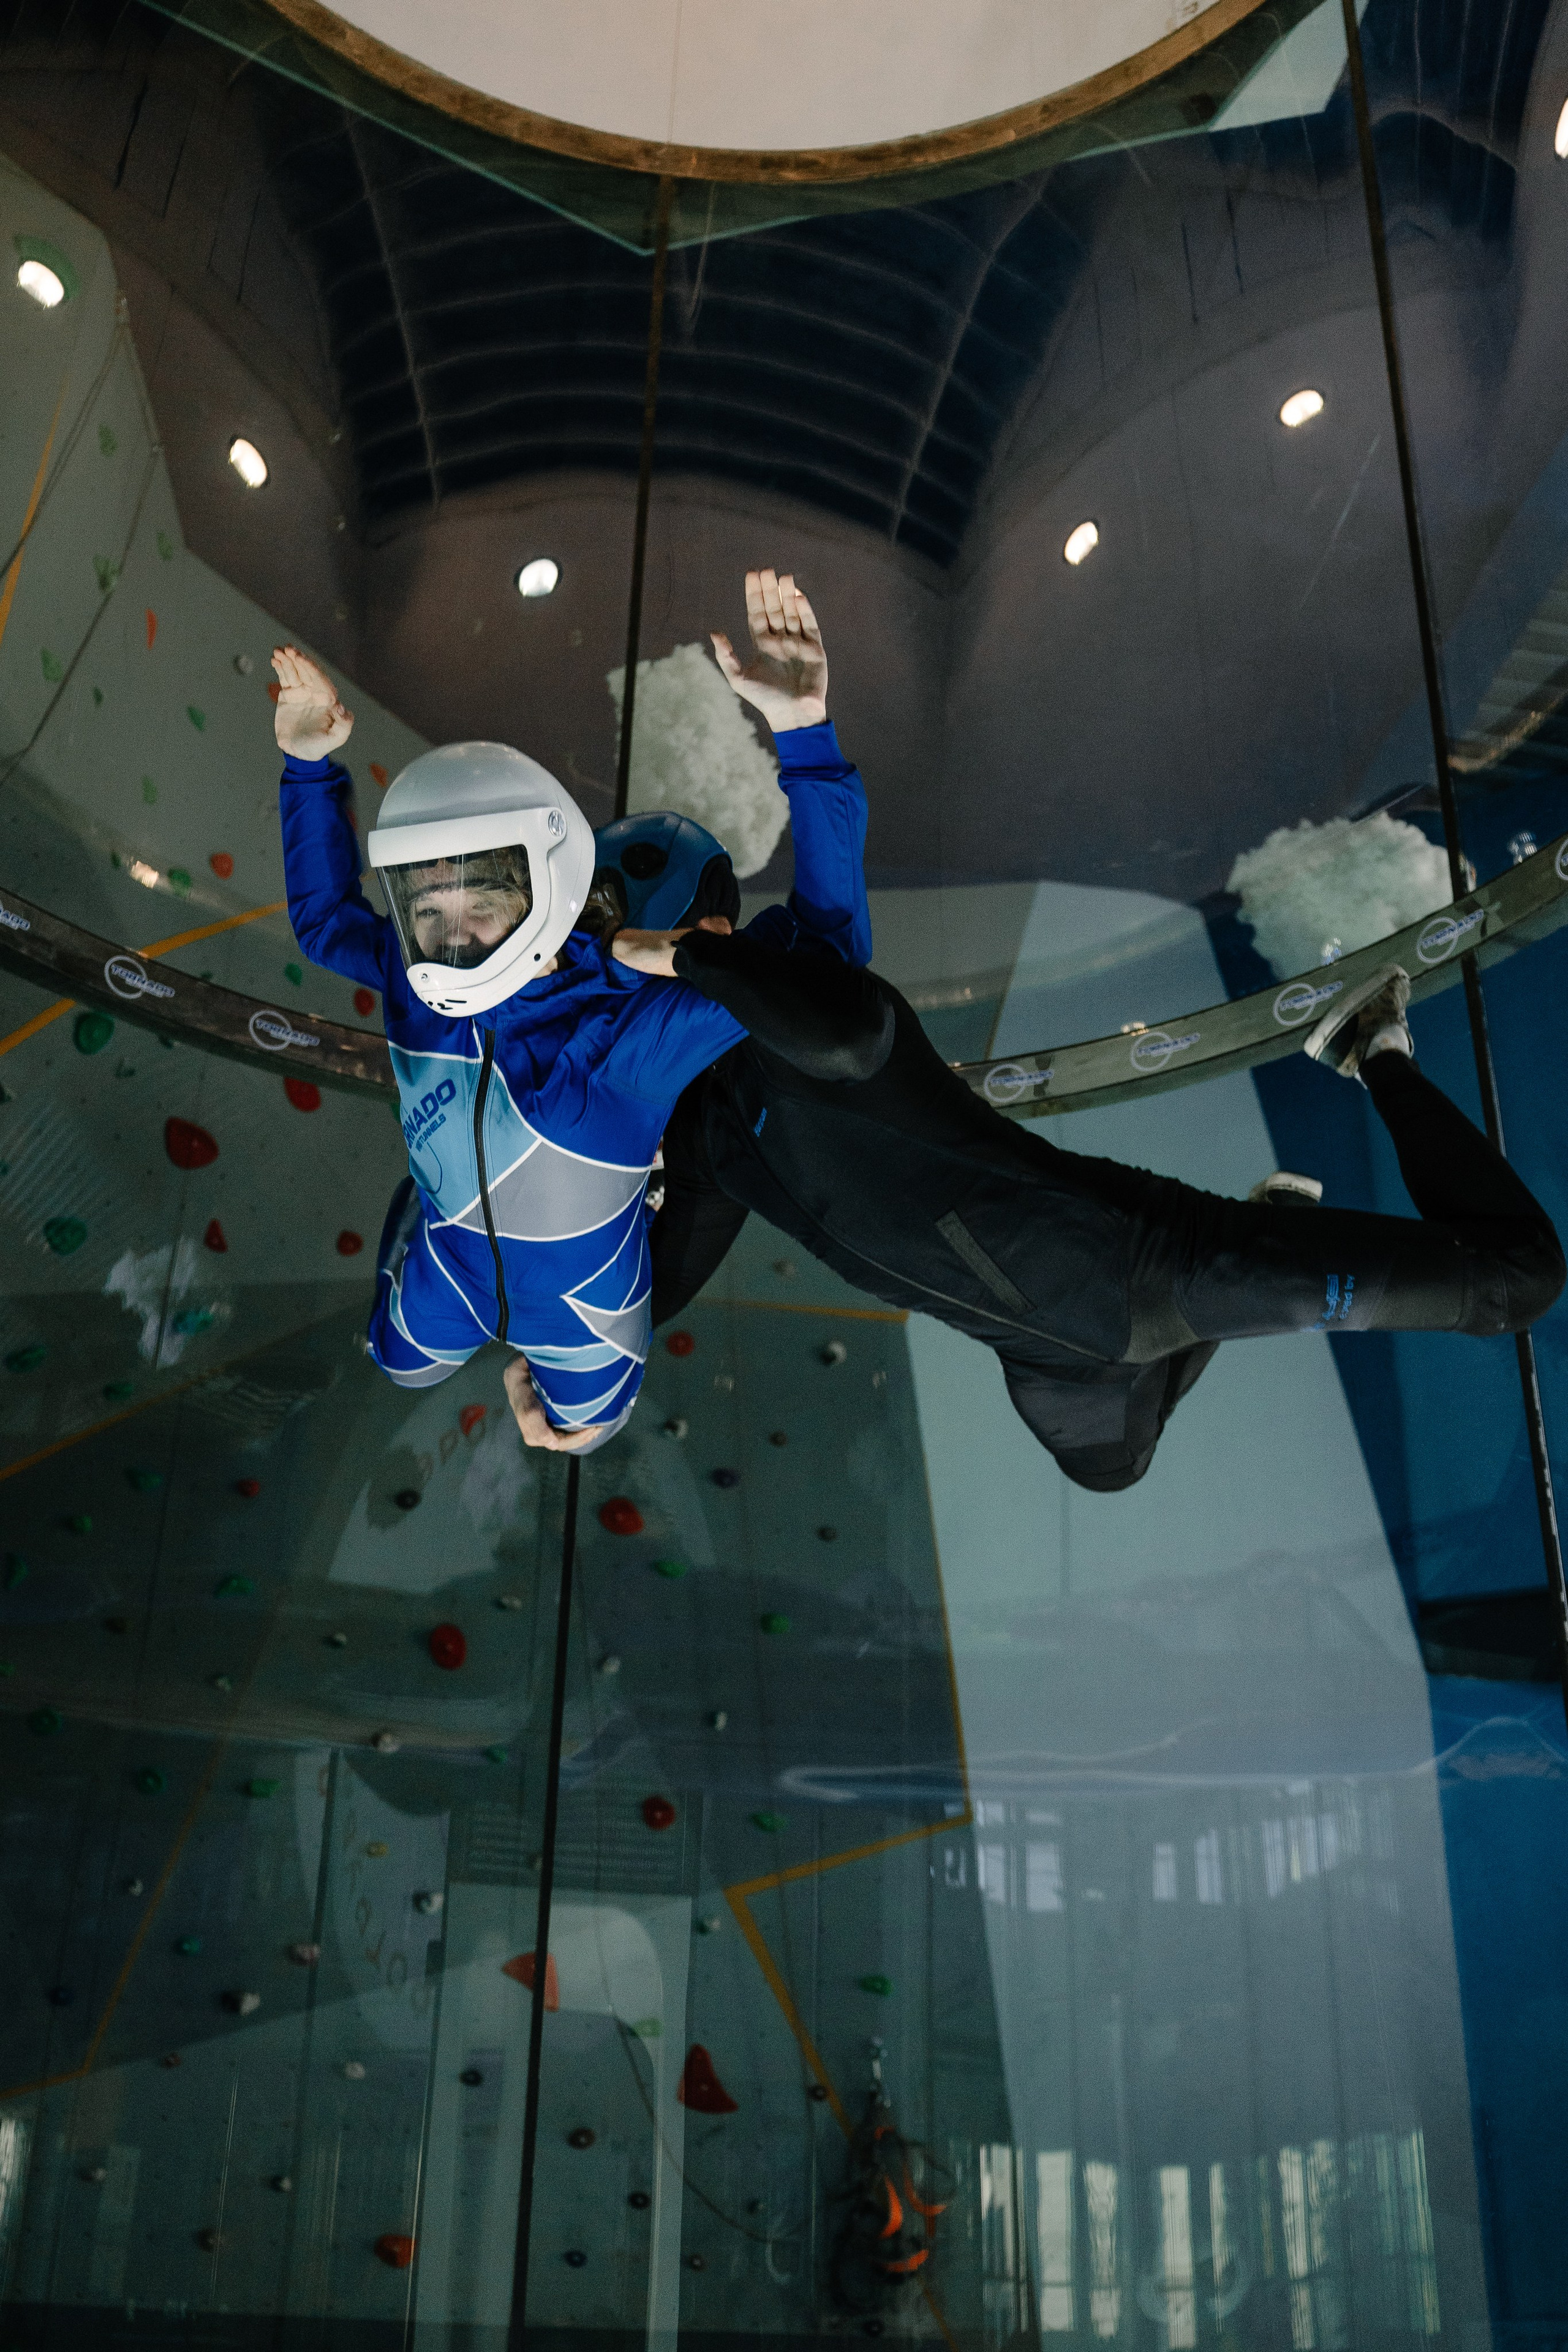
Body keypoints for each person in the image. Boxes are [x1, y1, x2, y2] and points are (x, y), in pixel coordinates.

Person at [522, 578, 1564, 1491]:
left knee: (1518, 1281)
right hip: (1050, 1354)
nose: (610, 966)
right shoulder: (701, 1132)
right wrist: (570, 1396)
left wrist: (801, 737)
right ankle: (1270, 1228)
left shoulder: (815, 986)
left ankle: (1375, 1050)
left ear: (689, 932)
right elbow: (640, 1295)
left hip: (1152, 1264)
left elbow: (836, 1027)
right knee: (1110, 1467)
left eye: (626, 940)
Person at [271, 633, 816, 1452]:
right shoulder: (425, 963)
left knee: (555, 1418)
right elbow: (327, 923)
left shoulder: (639, 1036)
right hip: (486, 1268)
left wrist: (690, 964)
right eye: (434, 910)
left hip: (576, 1295)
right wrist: (308, 765)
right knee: (400, 1363)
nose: (455, 938)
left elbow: (820, 960)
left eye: (481, 905)